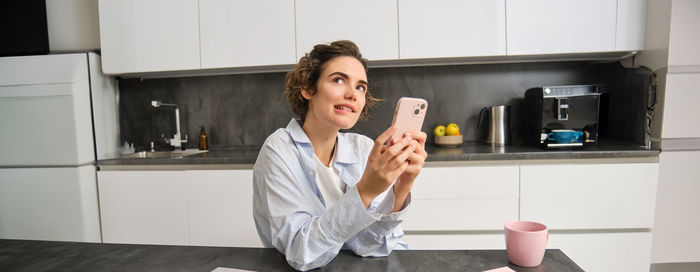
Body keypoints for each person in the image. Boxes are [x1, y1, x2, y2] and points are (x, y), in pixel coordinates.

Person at [252, 40, 428, 271]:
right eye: (338, 80)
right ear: (307, 88)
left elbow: (369, 246)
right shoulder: (279, 150)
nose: (352, 94)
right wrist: (366, 191)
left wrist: (402, 187)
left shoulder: (363, 148)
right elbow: (301, 253)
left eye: (360, 87)